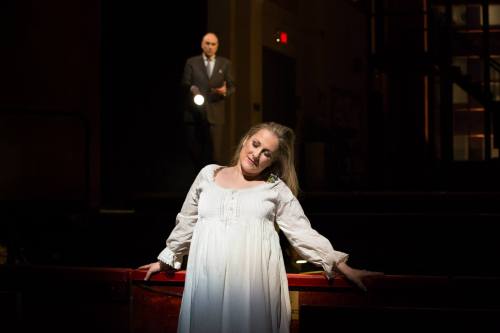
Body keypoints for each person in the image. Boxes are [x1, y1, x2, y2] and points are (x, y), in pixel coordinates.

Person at [139, 122, 382, 333]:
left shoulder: (274, 189)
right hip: (207, 281)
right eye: (255, 144)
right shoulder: (208, 175)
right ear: (245, 140)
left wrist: (341, 265)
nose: (256, 154)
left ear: (272, 162)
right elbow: (187, 220)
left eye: (266, 153)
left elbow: (301, 232)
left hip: (252, 285)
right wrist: (167, 258)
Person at [181, 32, 235, 169]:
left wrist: (225, 92)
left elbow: (232, 87)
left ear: (217, 46)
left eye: (213, 44)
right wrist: (193, 89)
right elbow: (185, 83)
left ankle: (212, 184)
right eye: (207, 43)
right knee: (194, 151)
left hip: (216, 115)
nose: (210, 47)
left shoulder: (225, 63)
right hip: (195, 113)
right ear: (202, 44)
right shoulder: (192, 62)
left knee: (214, 153)